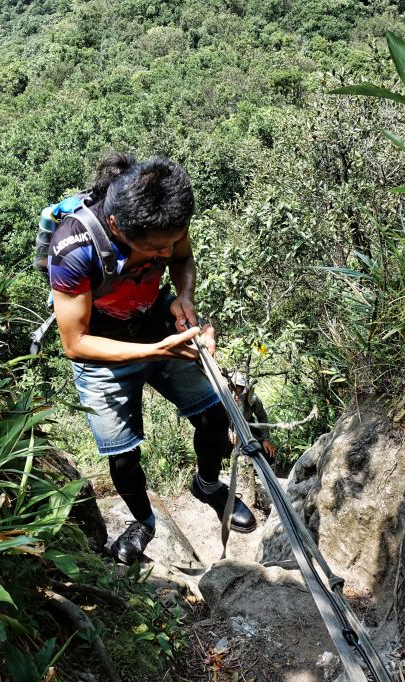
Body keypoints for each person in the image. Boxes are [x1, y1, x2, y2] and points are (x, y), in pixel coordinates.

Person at [49, 153, 257, 565]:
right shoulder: (73, 249)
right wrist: (156, 350)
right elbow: (75, 343)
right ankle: (143, 521)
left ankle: (208, 484)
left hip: (158, 325)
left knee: (215, 416)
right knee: (123, 457)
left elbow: (182, 261)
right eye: (152, 248)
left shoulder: (167, 222)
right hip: (103, 354)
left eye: (169, 241)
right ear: (116, 227)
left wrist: (184, 298)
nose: (164, 250)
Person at [229, 371, 277, 459]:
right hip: (226, 430)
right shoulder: (221, 401)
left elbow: (262, 417)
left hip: (248, 428)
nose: (237, 396)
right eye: (235, 391)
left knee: (267, 455)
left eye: (240, 390)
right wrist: (229, 433)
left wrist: (266, 438)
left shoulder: (253, 400)